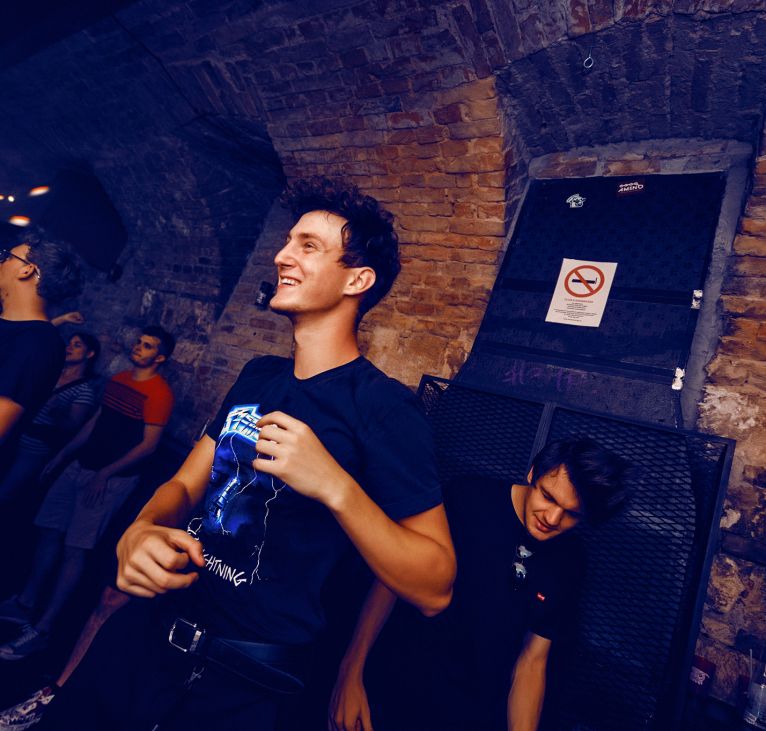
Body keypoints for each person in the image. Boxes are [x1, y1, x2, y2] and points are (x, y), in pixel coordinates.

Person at [34, 178, 455, 731]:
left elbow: (434, 587)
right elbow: (185, 483)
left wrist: (335, 485)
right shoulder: (259, 374)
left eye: (308, 246)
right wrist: (141, 528)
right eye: (288, 241)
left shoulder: (385, 408)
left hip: (241, 678)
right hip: (152, 630)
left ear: (358, 279)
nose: (283, 255)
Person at [329, 438, 628, 731]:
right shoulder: (468, 497)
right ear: (532, 474)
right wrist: (350, 673)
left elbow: (532, 660)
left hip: (471, 715)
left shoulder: (571, 560)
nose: (552, 518)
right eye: (548, 497)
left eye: (571, 513)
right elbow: (393, 578)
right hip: (393, 690)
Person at [0, 325, 175, 659]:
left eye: (148, 345)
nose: (138, 347)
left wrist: (106, 474)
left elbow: (149, 446)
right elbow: (95, 422)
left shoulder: (160, 393)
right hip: (79, 466)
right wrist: (63, 456)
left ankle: (43, 629)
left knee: (75, 548)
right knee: (48, 530)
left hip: (111, 479)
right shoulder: (120, 379)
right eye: (139, 342)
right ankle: (25, 603)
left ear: (160, 357)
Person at [0, 229, 82, 456]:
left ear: (27, 270)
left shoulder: (39, 345)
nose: (1, 261)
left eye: (5, 256)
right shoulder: (18, 332)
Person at [0, 331, 100, 506]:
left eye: (77, 345)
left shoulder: (84, 391)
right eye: (70, 343)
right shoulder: (51, 373)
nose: (69, 348)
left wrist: (57, 412)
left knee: (6, 491)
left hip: (34, 449)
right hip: (13, 434)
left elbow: (73, 426)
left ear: (89, 354)